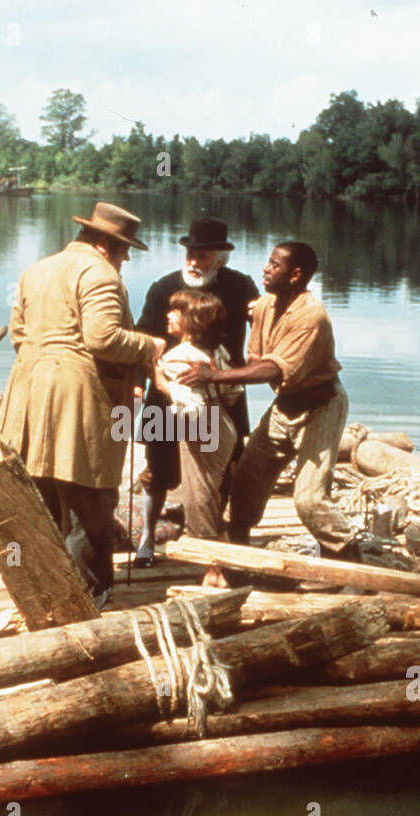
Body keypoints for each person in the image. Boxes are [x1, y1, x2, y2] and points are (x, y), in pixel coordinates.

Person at [0, 202, 165, 605]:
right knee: (90, 496)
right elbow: (103, 338)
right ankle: (90, 594)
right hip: (79, 399)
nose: (125, 261)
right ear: (107, 244)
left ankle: (43, 587)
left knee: (40, 491)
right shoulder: (100, 274)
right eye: (125, 251)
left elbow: (19, 335)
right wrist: (150, 344)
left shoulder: (37, 269)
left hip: (28, 393)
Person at [177, 241, 365, 561]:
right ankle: (238, 555)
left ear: (295, 275)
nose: (266, 269)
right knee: (246, 483)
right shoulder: (265, 306)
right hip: (286, 406)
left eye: (274, 265)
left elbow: (270, 369)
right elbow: (255, 359)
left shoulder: (312, 317)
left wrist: (214, 377)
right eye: (268, 262)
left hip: (321, 407)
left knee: (310, 499)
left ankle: (350, 560)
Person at [133, 218, 260, 566]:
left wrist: (257, 360)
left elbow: (263, 321)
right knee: (157, 468)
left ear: (220, 259)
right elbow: (144, 334)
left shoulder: (240, 287)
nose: (193, 262)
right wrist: (142, 378)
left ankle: (216, 541)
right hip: (166, 391)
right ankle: (147, 537)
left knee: (221, 470)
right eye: (190, 253)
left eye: (202, 257)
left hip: (221, 391)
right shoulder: (164, 288)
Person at [148, 289, 239, 588]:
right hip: (222, 424)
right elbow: (234, 391)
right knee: (211, 497)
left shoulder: (178, 358)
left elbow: (191, 408)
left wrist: (161, 383)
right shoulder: (218, 351)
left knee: (199, 499)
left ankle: (215, 573)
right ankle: (222, 566)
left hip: (202, 429)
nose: (169, 315)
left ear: (194, 322)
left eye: (177, 311)